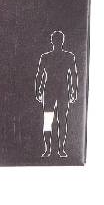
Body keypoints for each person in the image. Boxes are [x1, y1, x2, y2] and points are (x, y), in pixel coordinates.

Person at [34, 30, 79, 158]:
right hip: (54, 89)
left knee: (60, 119)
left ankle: (58, 149)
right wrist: (38, 89)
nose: (57, 42)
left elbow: (74, 75)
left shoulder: (67, 56)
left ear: (53, 41)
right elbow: (39, 74)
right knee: (52, 119)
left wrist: (74, 90)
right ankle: (51, 149)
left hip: (58, 89)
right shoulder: (47, 57)